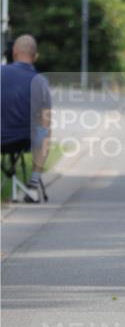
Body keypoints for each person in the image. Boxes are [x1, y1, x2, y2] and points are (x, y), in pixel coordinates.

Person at [1, 34, 51, 203]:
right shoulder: (40, 81)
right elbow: (45, 121)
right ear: (35, 57)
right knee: (45, 132)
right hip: (24, 140)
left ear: (14, 53)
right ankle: (33, 185)